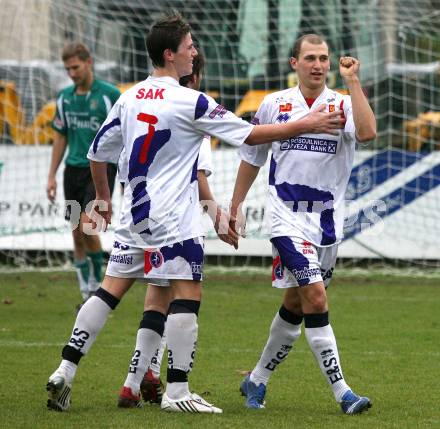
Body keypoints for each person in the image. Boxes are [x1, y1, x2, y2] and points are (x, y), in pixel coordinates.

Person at [45, 14, 344, 414]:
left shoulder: (129, 96)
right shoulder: (191, 100)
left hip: (135, 216)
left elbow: (97, 151)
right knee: (187, 295)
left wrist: (103, 199)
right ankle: (177, 392)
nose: (194, 53)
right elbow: (251, 134)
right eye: (189, 47)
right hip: (173, 220)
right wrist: (308, 122)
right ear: (170, 55)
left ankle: (66, 369)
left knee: (109, 289)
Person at [229, 34, 376, 414]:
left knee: (295, 302)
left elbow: (367, 133)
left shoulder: (341, 104)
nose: (318, 65)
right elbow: (252, 157)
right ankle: (343, 393)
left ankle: (256, 380)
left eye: (324, 58)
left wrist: (353, 82)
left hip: (327, 224)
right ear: (294, 62)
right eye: (310, 57)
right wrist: (235, 204)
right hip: (286, 220)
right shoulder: (274, 104)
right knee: (316, 297)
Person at [116, 52, 235, 408]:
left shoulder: (146, 108)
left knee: (156, 298)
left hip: (143, 218)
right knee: (182, 298)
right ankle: (171, 387)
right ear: (194, 78)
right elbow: (199, 177)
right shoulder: (194, 114)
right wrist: (217, 215)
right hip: (176, 224)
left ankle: (133, 382)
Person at [47, 42, 121, 307]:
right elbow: (60, 137)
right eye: (68, 69)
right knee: (77, 232)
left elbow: (124, 133)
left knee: (88, 225)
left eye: (76, 67)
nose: (72, 73)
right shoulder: (65, 98)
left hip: (101, 169)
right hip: (73, 170)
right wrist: (52, 175)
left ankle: (97, 290)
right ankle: (86, 291)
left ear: (88, 62)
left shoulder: (109, 94)